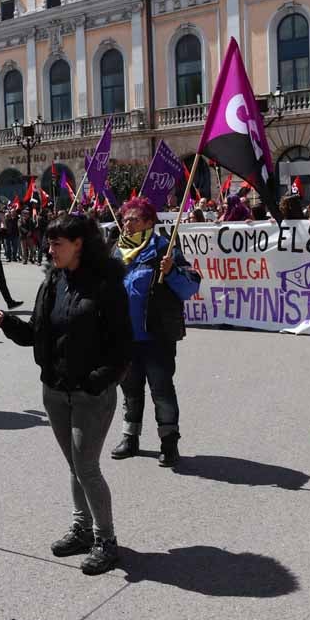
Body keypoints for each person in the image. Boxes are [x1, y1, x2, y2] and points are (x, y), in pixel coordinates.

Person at [0, 214, 131, 576]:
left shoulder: (106, 285)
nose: (49, 250)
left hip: (90, 395)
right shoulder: (52, 282)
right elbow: (35, 333)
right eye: (49, 243)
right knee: (74, 464)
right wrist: (7, 322)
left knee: (87, 466)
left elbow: (122, 348)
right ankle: (82, 529)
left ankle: (106, 541)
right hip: (54, 391)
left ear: (79, 244)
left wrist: (95, 382)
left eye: (57, 244)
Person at [109, 198, 202, 465]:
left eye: (134, 219)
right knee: (130, 391)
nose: (127, 224)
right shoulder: (117, 250)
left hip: (156, 336)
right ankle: (130, 437)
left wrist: (171, 271)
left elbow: (190, 287)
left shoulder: (165, 247)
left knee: (161, 390)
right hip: (125, 336)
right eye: (125, 218)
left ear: (149, 222)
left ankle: (169, 442)